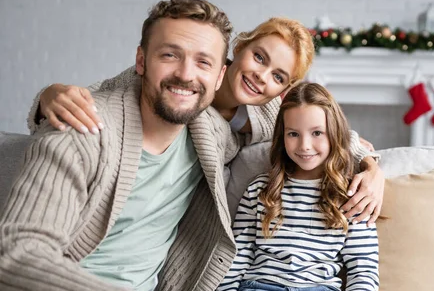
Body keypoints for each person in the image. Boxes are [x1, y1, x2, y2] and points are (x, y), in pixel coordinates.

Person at [0, 0, 244, 291]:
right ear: (141, 61)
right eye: (169, 55)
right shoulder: (79, 130)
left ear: (219, 77)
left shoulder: (210, 135)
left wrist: (360, 158)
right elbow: (15, 256)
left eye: (203, 62)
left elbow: (282, 111)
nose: (185, 73)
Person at [29, 17, 385, 225]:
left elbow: (338, 135)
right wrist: (49, 94)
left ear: (284, 89)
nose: (261, 77)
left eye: (278, 76)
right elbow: (96, 98)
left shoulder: (269, 114)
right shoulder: (181, 78)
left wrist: (372, 169)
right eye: (259, 57)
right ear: (240, 47)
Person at [205, 82, 379, 291]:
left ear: (334, 134)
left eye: (317, 133)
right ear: (282, 137)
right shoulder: (261, 190)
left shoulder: (351, 195)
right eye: (293, 134)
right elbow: (238, 257)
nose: (305, 145)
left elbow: (363, 269)